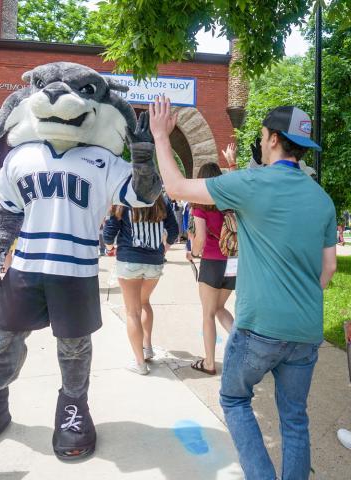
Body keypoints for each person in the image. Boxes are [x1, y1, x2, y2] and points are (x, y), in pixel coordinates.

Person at [150, 97, 337, 480]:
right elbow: (329, 269)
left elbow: (176, 186)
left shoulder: (251, 183)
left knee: (234, 399)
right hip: (306, 330)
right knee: (295, 420)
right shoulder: (322, 199)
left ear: (270, 139)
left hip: (258, 327)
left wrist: (160, 136)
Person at [103, 194, 178, 374]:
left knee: (132, 311)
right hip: (154, 261)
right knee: (144, 303)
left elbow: (109, 232)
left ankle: (140, 364)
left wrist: (109, 248)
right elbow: (174, 231)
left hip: (129, 260)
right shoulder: (161, 199)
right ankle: (148, 347)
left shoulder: (124, 198)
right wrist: (163, 249)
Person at [189, 162, 235, 375]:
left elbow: (201, 238)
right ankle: (240, 346)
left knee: (208, 313)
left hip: (212, 262)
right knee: (220, 308)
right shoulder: (229, 203)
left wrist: (193, 253)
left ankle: (209, 363)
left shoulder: (201, 206)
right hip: (233, 262)